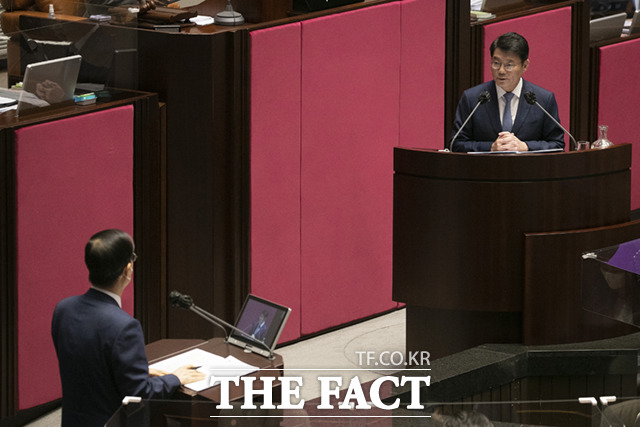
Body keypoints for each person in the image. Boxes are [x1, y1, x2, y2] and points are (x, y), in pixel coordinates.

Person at [51, 229, 205, 427]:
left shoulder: (63, 309)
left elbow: (87, 365)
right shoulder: (124, 326)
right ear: (127, 269)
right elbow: (140, 393)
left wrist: (138, 371)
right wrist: (175, 378)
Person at [451, 32, 565, 153]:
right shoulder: (473, 98)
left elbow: (557, 145)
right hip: (484, 170)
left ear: (525, 65)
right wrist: (491, 148)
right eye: (496, 63)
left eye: (509, 65)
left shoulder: (543, 99)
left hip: (528, 170)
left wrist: (525, 147)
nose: (501, 71)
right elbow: (456, 144)